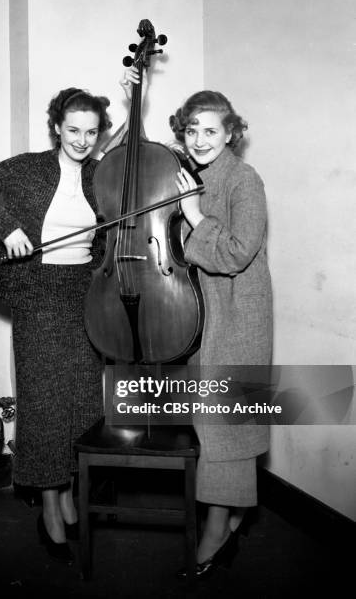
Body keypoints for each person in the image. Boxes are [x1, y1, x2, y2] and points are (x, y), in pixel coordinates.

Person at [121, 68, 272, 578]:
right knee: (217, 422)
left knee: (223, 422)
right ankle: (227, 520)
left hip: (236, 315)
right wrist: (131, 100)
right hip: (199, 311)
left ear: (231, 132)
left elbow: (235, 252)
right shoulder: (190, 169)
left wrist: (191, 210)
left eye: (211, 130)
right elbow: (128, 164)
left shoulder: (243, 179)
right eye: (192, 130)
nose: (200, 139)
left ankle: (217, 528)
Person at [0, 88, 112, 564]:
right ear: (57, 127)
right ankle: (48, 500)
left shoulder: (101, 173)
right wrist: (6, 227)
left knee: (83, 400)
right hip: (39, 291)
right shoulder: (28, 167)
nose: (82, 140)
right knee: (43, 402)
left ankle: (67, 491)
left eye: (91, 131)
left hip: (86, 292)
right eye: (73, 129)